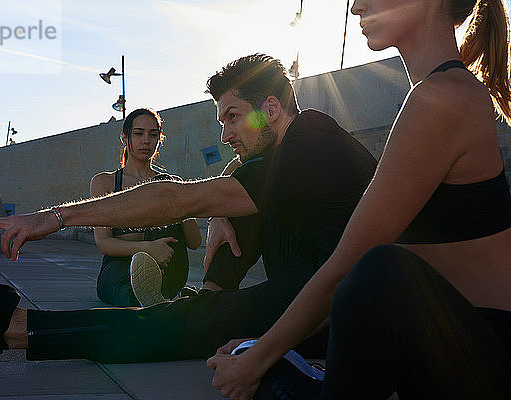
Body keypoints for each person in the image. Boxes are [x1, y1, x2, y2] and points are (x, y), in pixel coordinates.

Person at [0, 54, 376, 367]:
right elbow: (238, 179)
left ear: (270, 109)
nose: (225, 134)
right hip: (318, 284)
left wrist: (54, 217)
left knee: (179, 324)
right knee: (235, 216)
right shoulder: (296, 145)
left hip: (335, 307)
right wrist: (226, 208)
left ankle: (2, 327)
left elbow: (175, 199)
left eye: (232, 117)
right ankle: (210, 297)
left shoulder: (313, 140)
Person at [205, 1, 511, 399]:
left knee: (378, 267)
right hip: (451, 345)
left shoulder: (444, 97)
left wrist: (255, 359)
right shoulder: (437, 93)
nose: (355, 6)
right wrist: (262, 345)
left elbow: (350, 265)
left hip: (486, 363)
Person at [90, 108, 201, 307]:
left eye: (153, 134)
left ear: (159, 140)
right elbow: (103, 242)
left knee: (167, 205)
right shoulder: (105, 182)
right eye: (139, 133)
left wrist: (181, 203)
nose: (146, 140)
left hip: (166, 266)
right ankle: (155, 300)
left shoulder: (171, 183)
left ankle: (158, 297)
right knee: (126, 289)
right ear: (125, 138)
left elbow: (194, 241)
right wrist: (147, 249)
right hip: (120, 267)